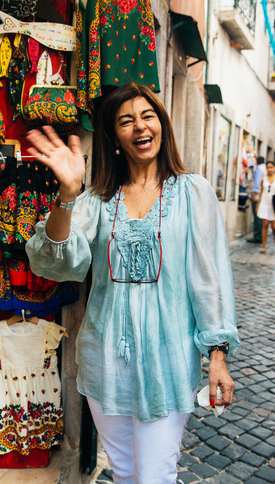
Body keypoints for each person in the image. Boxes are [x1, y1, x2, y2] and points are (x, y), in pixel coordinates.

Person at [24, 83, 239, 483]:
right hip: (105, 361)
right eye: (126, 120)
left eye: (148, 116)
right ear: (115, 137)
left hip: (168, 361)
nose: (140, 126)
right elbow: (54, 261)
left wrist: (218, 356)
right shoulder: (97, 200)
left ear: (162, 126)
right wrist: (67, 194)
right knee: (123, 472)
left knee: (155, 475)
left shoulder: (194, 193)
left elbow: (209, 279)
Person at [256, 161, 275, 252]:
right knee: (265, 225)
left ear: (274, 168)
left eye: (271, 167)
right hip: (265, 204)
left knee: (274, 227)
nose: (269, 169)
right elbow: (261, 193)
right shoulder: (263, 179)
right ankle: (264, 246)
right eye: (268, 167)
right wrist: (258, 205)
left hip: (274, 205)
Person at [248, 156, 265, 243]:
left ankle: (257, 236)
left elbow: (257, 182)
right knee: (260, 216)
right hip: (262, 196)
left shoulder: (259, 169)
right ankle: (260, 235)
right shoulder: (265, 168)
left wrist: (254, 194)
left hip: (258, 196)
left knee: (257, 216)